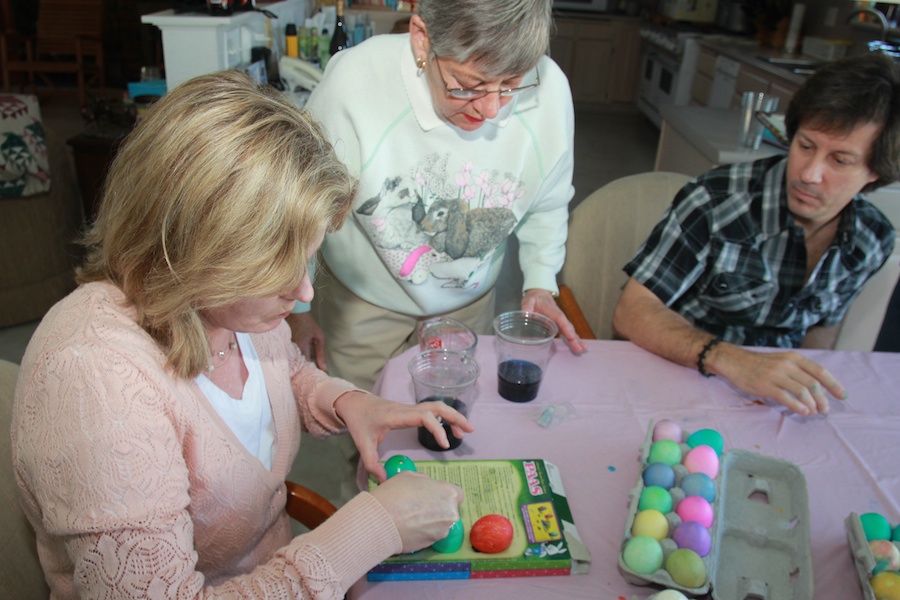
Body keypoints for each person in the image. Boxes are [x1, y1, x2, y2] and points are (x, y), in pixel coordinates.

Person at [11, 71, 472, 599]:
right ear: (196, 250)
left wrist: (346, 401)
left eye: (307, 258)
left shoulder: (225, 305)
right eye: (277, 265)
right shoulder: (92, 383)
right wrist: (372, 528)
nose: (304, 294)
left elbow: (282, 372)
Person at [286, 0, 587, 390]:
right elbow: (302, 207)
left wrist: (540, 282)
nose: (492, 109)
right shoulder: (353, 83)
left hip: (468, 304)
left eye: (511, 85)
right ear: (421, 40)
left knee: (451, 418)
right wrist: (297, 307)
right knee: (366, 429)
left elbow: (548, 199)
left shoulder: (550, 91)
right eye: (468, 85)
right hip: (364, 304)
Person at [613, 52, 900, 417]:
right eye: (805, 146)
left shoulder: (873, 239)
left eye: (840, 161)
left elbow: (822, 333)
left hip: (773, 405)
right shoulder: (716, 201)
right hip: (680, 382)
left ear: (876, 172)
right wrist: (728, 359)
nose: (809, 173)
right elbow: (631, 311)